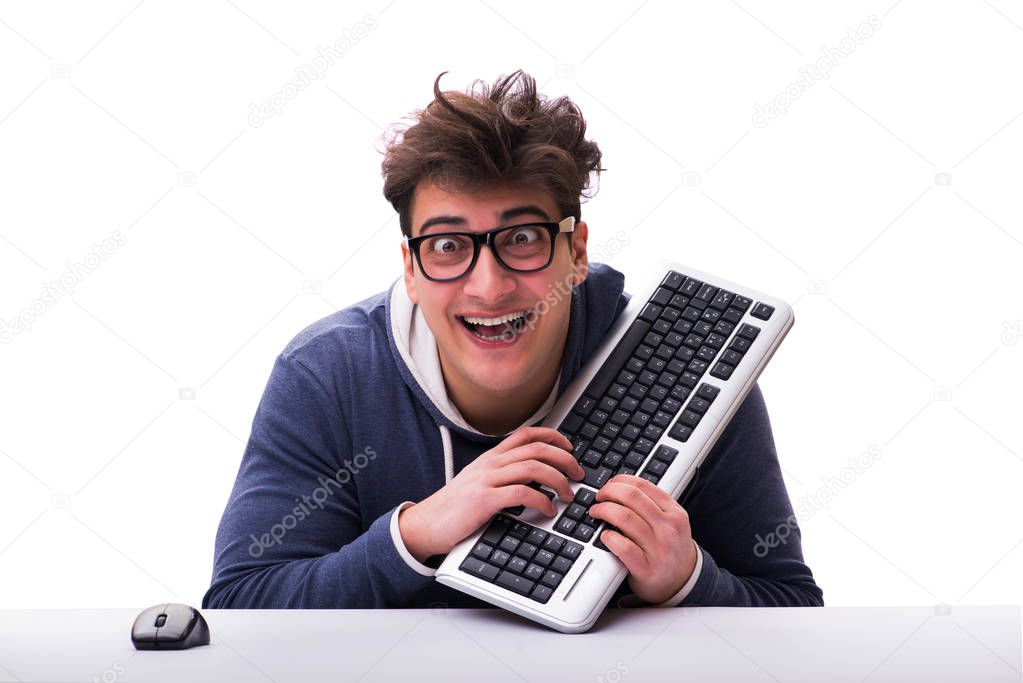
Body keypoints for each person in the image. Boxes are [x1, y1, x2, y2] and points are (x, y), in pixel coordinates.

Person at [202, 70, 823, 610]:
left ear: (576, 251)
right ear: (412, 269)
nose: (490, 285)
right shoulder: (328, 376)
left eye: (522, 238)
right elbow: (243, 603)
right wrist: (416, 533)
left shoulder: (694, 367)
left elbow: (791, 608)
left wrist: (689, 582)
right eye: (447, 246)